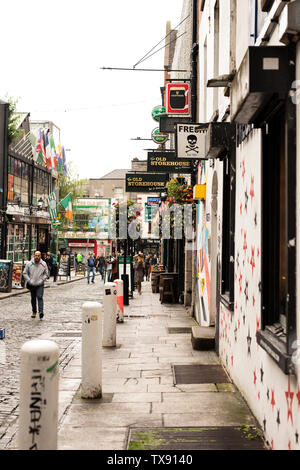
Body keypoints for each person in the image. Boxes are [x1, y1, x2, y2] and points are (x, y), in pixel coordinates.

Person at [23, 251, 49, 320]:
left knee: (40, 297)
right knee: (33, 298)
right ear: (33, 256)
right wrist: (29, 280)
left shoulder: (43, 264)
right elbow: (25, 273)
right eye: (36, 255)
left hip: (40, 284)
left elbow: (46, 274)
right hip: (32, 284)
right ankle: (34, 312)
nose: (37, 257)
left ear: (40, 256)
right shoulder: (29, 264)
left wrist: (42, 280)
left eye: (38, 256)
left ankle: (41, 312)